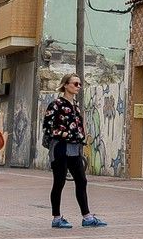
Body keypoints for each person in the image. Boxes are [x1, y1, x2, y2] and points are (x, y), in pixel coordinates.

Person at [42, 73, 107, 229]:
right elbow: (48, 128)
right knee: (59, 182)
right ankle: (56, 218)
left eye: (79, 84)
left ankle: (87, 217)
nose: (78, 86)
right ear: (66, 85)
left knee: (81, 180)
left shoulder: (75, 105)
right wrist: (68, 134)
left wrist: (81, 138)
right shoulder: (56, 104)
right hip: (60, 147)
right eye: (75, 84)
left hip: (75, 148)